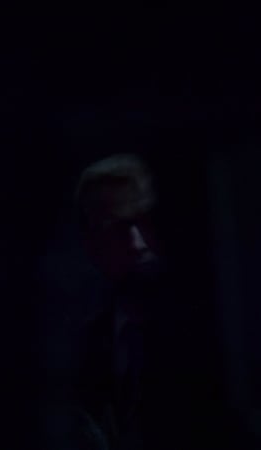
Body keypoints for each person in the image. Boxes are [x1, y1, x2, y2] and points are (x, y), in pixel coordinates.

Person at [65, 152, 235, 450]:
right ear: (92, 245)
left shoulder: (206, 334)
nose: (139, 243)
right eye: (119, 228)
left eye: (145, 222)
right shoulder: (86, 345)